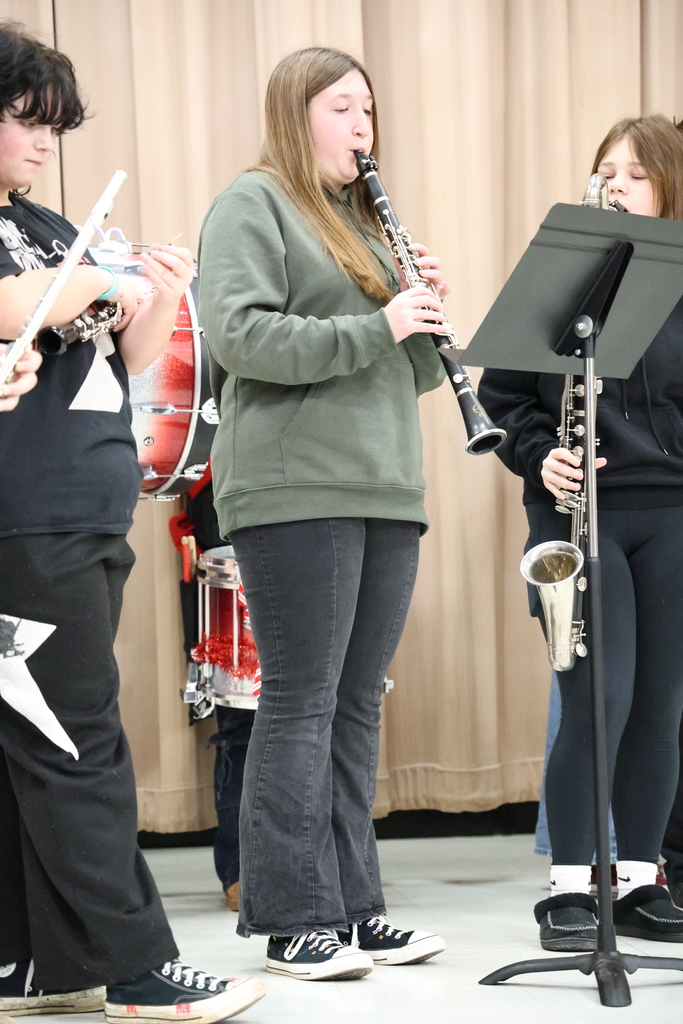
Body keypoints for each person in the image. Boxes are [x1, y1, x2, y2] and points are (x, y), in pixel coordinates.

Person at [0, 21, 265, 1022]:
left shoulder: (45, 220)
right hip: (24, 519)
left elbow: (129, 353)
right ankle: (135, 966)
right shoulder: (34, 249)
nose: (41, 141)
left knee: (32, 737)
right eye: (27, 119)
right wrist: (103, 279)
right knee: (76, 739)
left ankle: (27, 961)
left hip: (75, 509)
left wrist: (153, 288)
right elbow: (20, 302)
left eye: (51, 125)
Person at [198, 46, 447, 981]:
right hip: (293, 484)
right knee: (298, 702)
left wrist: (422, 323)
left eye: (369, 112)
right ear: (295, 113)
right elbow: (242, 335)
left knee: (354, 706)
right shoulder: (251, 203)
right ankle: (288, 917)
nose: (361, 128)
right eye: (343, 108)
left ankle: (352, 905)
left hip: (384, 481)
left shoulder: (364, 226)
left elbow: (404, 372)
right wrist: (376, 323)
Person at [479, 113, 683, 951]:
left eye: (633, 173)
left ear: (667, 185)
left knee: (660, 706)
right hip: (578, 513)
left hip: (670, 515)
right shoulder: (558, 278)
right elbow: (502, 399)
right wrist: (541, 458)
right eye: (604, 170)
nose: (614, 185)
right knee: (596, 699)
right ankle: (568, 884)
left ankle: (636, 876)